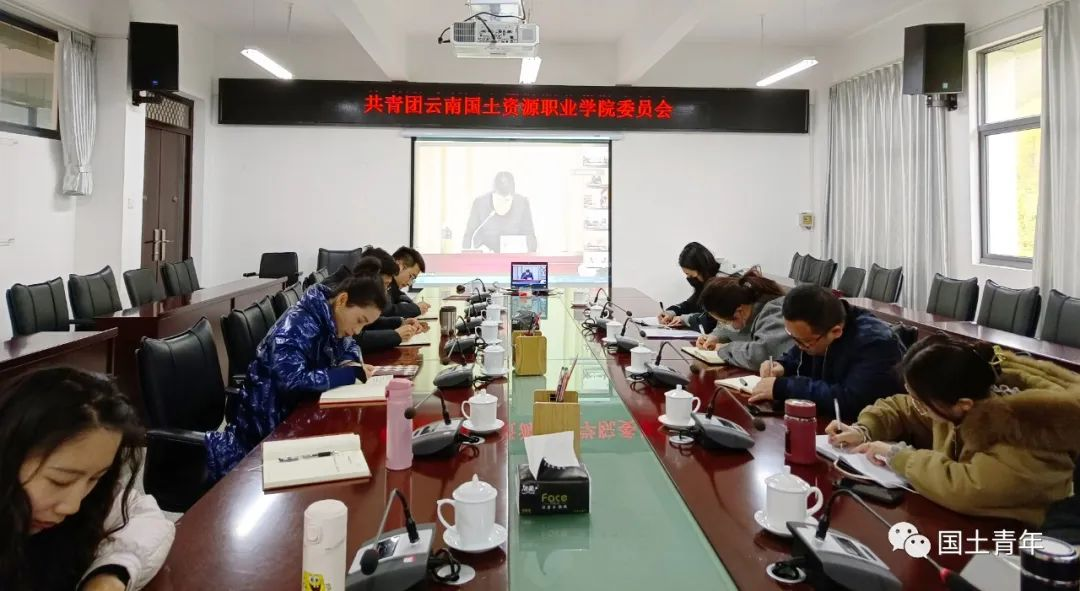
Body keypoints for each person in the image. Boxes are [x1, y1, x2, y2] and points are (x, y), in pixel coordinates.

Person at [826, 336, 1080, 526]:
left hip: (1016, 540)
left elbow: (969, 488)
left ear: (963, 405)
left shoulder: (1027, 429)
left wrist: (898, 456)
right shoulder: (963, 396)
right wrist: (865, 429)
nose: (917, 406)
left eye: (921, 402)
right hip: (967, 523)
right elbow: (901, 408)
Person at [0, 367, 175, 591]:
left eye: (95, 478)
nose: (73, 506)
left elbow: (145, 516)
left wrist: (110, 574)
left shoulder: (87, 503)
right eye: (59, 481)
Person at [206, 275, 388, 480]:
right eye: (359, 321)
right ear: (342, 300)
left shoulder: (330, 320)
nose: (357, 331)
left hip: (298, 416)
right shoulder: (296, 325)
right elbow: (291, 379)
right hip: (268, 430)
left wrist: (350, 362)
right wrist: (349, 374)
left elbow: (349, 345)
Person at [748, 284, 905, 422]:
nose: (799, 346)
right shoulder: (823, 324)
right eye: (792, 337)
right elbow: (799, 354)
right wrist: (783, 365)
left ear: (836, 331)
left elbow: (852, 401)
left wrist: (784, 387)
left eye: (803, 342)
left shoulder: (875, 343)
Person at [694, 268, 794, 370]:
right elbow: (725, 329)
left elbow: (759, 356)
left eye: (725, 322)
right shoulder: (747, 307)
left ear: (739, 311)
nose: (724, 325)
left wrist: (725, 349)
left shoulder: (774, 313)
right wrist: (715, 337)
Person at [462, 171, 537, 253]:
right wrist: (470, 253)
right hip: (485, 257)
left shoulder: (522, 203)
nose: (503, 203)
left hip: (513, 257)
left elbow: (530, 237)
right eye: (499, 199)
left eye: (507, 199)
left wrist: (528, 253)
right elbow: (469, 235)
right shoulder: (480, 203)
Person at [657, 242, 721, 332]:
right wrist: (671, 312)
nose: (689, 278)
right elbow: (691, 304)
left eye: (690, 275)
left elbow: (710, 321)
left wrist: (684, 319)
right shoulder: (706, 279)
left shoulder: (723, 284)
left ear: (701, 269)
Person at [390, 246, 431, 317]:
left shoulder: (392, 286)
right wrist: (416, 308)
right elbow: (388, 310)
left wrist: (411, 304)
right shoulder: (379, 281)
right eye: (411, 276)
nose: (409, 283)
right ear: (400, 265)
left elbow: (398, 295)